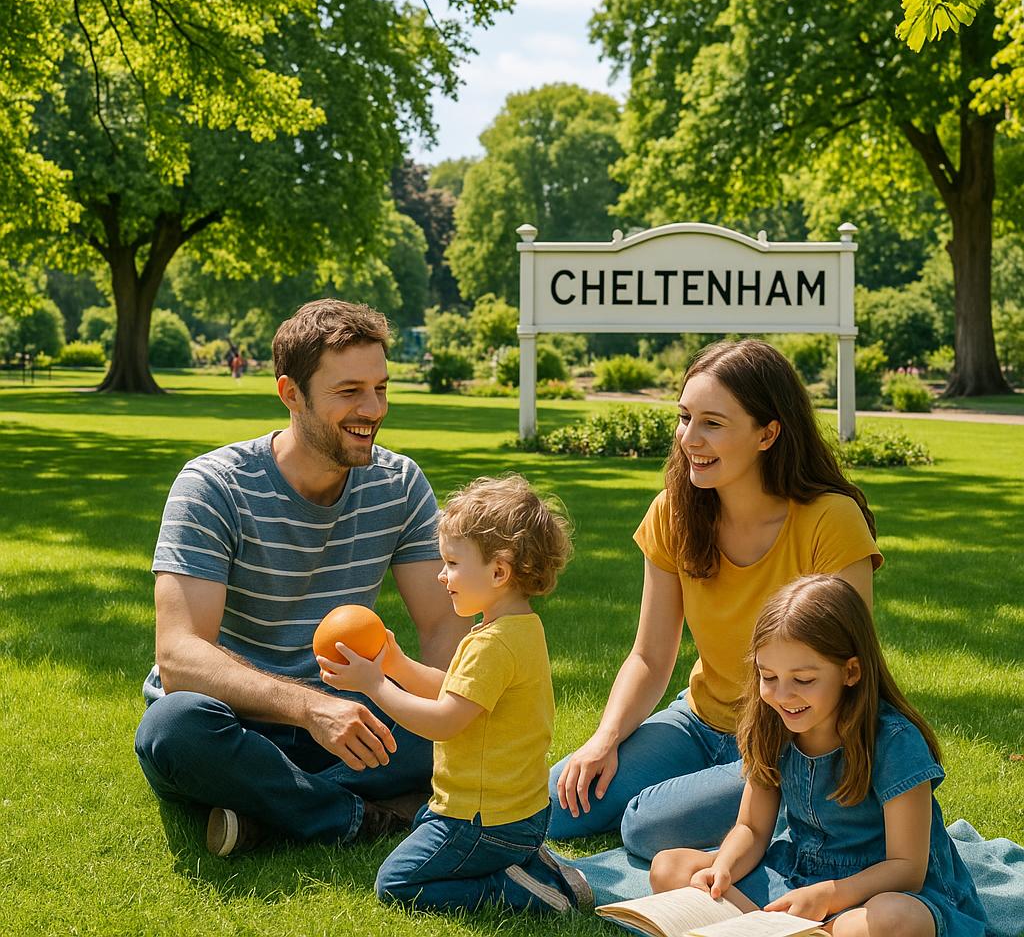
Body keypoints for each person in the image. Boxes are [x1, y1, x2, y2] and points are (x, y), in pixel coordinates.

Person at [134, 299, 470, 856]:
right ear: (291, 393)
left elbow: (442, 629)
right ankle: (365, 815)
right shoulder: (214, 487)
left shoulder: (400, 484)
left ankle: (273, 813)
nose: (373, 409)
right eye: (349, 392)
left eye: (381, 388)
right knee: (175, 729)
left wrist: (444, 719)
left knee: (472, 720)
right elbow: (179, 657)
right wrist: (311, 708)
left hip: (356, 716)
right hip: (238, 721)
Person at [551, 338, 882, 859]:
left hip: (793, 739)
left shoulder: (829, 521)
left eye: (713, 423)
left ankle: (795, 809)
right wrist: (604, 739)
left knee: (644, 826)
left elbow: (847, 674)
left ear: (767, 433)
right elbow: (649, 656)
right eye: (684, 418)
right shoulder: (673, 513)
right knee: (554, 804)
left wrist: (783, 755)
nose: (690, 439)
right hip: (700, 722)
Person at [649, 575, 988, 937]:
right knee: (668, 868)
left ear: (851, 671)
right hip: (801, 877)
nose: (783, 695)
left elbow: (907, 867)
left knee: (891, 920)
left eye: (804, 680)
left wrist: (830, 895)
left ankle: (777, 927)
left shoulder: (894, 741)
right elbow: (752, 828)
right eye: (769, 677)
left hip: (883, 891)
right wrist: (725, 867)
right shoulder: (772, 727)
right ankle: (784, 929)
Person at [318, 474, 593, 914]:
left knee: (396, 883)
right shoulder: (516, 628)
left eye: (452, 563)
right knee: (427, 829)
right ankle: (526, 858)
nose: (441, 575)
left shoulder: (492, 644)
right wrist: (397, 664)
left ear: (499, 571)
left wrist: (375, 685)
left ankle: (522, 891)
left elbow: (443, 720)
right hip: (514, 811)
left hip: (483, 821)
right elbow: (457, 691)